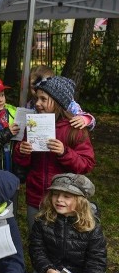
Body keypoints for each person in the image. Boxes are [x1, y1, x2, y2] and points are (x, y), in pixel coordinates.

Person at [30, 174, 116, 273]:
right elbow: (37, 250)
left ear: (80, 201)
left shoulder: (92, 226)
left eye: (67, 196)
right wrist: (48, 270)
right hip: (55, 272)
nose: (59, 199)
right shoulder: (42, 220)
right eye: (55, 194)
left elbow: (97, 259)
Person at [13, 76, 95, 230]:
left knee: (60, 242)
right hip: (36, 196)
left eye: (43, 99)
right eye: (37, 98)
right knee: (36, 238)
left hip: (64, 199)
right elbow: (22, 162)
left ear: (58, 102)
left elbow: (86, 165)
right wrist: (22, 151)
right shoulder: (33, 124)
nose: (37, 103)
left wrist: (64, 152)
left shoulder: (74, 129)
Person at [26, 65, 96, 130]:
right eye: (33, 87)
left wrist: (84, 119)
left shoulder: (68, 104)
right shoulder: (30, 104)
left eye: (43, 98)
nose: (37, 91)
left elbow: (91, 120)